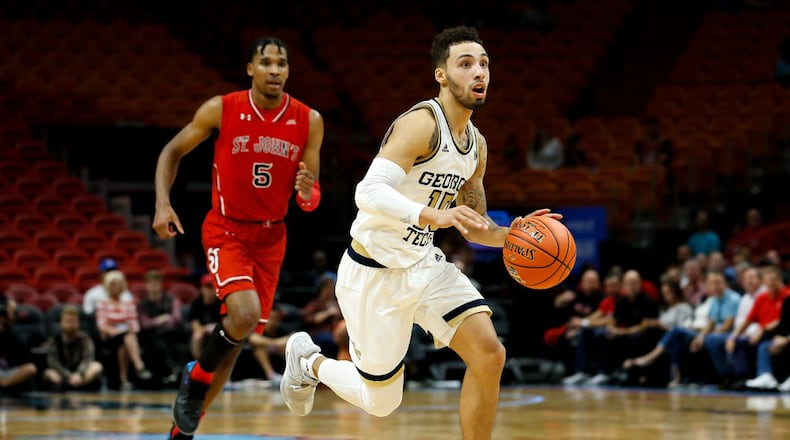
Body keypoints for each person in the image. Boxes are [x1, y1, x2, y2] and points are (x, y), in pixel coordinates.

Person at [279, 26, 561, 439]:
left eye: (484, 64)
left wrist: (512, 235)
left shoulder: (476, 145)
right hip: (373, 272)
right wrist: (433, 215)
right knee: (381, 403)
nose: (478, 72)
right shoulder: (421, 124)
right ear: (441, 75)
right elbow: (368, 192)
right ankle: (308, 362)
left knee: (490, 354)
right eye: (465, 64)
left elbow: (472, 225)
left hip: (424, 265)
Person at [152, 36, 324, 439]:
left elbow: (311, 195)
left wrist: (306, 192)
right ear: (250, 69)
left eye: (281, 63)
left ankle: (183, 432)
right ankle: (195, 377)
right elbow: (171, 152)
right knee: (242, 316)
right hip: (227, 228)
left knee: (239, 334)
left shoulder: (308, 120)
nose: (275, 70)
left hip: (271, 238)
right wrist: (163, 203)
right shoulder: (222, 108)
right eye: (266, 62)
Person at [95, 270, 152, 390]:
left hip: (126, 338)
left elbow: (134, 324)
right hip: (109, 338)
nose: (117, 287)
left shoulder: (128, 303)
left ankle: (124, 379)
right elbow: (102, 325)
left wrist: (127, 330)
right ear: (108, 286)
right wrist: (116, 331)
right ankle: (139, 366)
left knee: (124, 343)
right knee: (126, 337)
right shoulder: (103, 304)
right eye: (114, 284)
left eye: (119, 284)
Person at [137, 269, 183, 385]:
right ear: (146, 285)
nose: (154, 287)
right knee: (158, 341)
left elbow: (177, 318)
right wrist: (161, 320)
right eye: (151, 284)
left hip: (170, 334)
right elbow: (145, 324)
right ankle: (173, 371)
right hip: (151, 337)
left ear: (161, 284)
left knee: (169, 337)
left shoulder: (171, 299)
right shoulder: (142, 304)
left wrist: (162, 321)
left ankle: (174, 372)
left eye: (157, 284)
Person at [43, 305, 104, 391]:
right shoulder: (54, 340)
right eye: (67, 321)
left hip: (81, 374)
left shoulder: (85, 339)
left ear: (78, 323)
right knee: (49, 373)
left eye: (73, 321)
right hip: (62, 373)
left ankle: (76, 384)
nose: (70, 324)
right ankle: (70, 385)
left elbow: (88, 359)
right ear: (61, 322)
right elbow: (53, 362)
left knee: (97, 366)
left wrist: (79, 373)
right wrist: (67, 375)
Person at [0, 297, 37, 392]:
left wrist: (5, 382)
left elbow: (28, 368)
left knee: (30, 369)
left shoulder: (16, 338)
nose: (14, 316)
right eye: (12, 312)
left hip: (9, 378)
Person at [188, 274, 221, 360]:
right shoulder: (197, 303)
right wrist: (202, 330)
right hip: (202, 332)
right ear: (202, 289)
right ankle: (198, 365)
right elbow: (194, 322)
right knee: (197, 336)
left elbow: (224, 322)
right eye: (207, 287)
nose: (209, 291)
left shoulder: (220, 303)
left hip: (217, 331)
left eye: (212, 287)